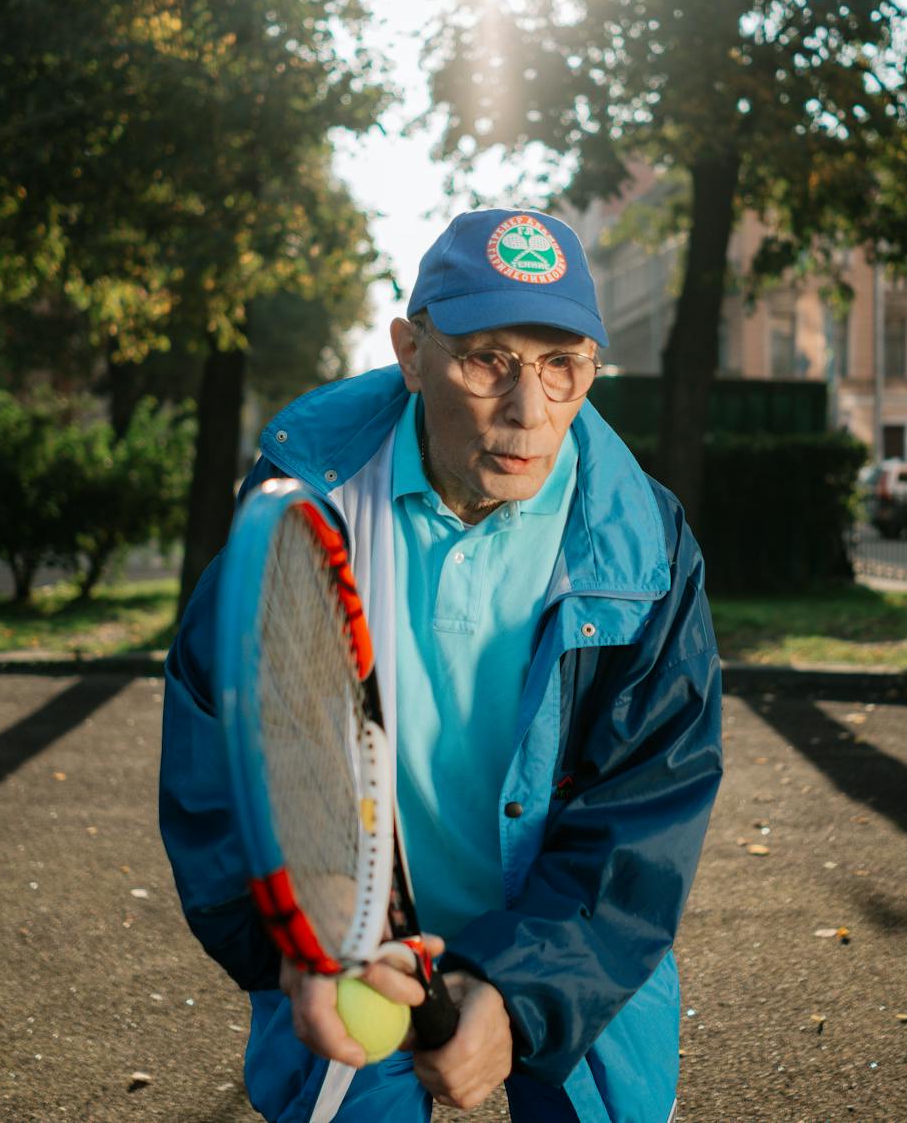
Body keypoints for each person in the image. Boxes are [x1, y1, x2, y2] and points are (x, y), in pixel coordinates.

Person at [159, 207, 723, 1123]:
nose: (527, 409)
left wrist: (520, 991)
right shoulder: (307, 509)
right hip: (356, 942)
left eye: (562, 365)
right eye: (488, 357)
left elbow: (647, 808)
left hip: (569, 930)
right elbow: (219, 757)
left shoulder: (644, 545)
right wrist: (300, 944)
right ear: (412, 353)